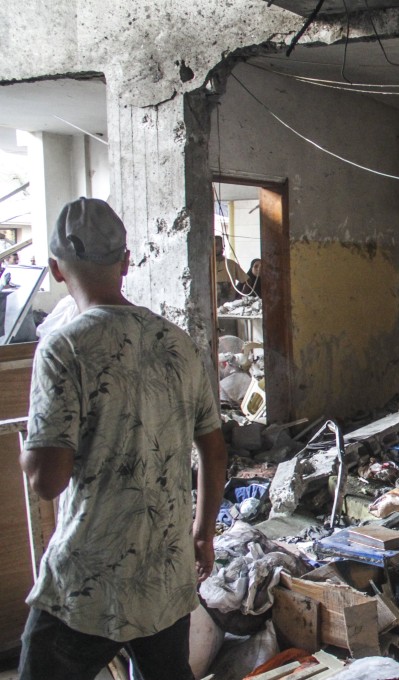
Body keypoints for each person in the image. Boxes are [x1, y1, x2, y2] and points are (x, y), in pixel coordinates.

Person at [19, 197, 228, 679]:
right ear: (126, 262)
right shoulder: (179, 343)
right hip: (165, 568)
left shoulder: (63, 347)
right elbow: (213, 450)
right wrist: (202, 534)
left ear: (55, 269)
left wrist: (30, 449)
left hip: (92, 575)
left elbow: (47, 482)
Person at [214, 234, 246, 304]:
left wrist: (240, 298)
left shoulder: (231, 264)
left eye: (217, 244)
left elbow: (247, 281)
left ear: (223, 246)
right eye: (212, 245)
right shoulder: (206, 265)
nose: (214, 247)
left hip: (227, 307)